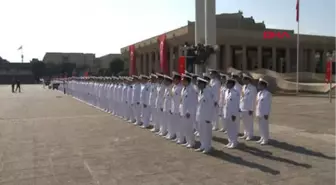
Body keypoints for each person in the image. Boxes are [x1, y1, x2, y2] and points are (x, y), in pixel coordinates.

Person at [195, 77, 215, 153]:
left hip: (206, 116)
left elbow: (211, 106)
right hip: (200, 115)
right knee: (201, 132)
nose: (197, 84)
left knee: (207, 132)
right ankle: (202, 145)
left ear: (203, 84)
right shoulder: (201, 92)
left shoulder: (208, 92)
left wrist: (209, 118)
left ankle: (208, 147)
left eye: (199, 83)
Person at [180, 73, 198, 148]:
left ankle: (191, 142)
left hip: (189, 113)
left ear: (187, 81)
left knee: (190, 128)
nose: (182, 82)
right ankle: (188, 141)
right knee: (185, 127)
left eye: (183, 80)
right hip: (184, 111)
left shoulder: (192, 89)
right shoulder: (184, 88)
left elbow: (193, 102)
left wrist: (188, 112)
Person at [222, 78, 240, 149]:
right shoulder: (226, 92)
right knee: (228, 128)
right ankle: (230, 141)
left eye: (227, 83)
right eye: (226, 83)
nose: (226, 84)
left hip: (232, 114)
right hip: (226, 112)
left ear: (231, 84)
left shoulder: (235, 93)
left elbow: (236, 105)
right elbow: (225, 103)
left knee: (233, 128)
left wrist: (234, 114)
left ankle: (234, 142)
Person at [239, 74, 257, 141]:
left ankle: (250, 135)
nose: (243, 80)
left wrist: (251, 109)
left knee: (249, 122)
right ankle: (245, 133)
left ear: (248, 80)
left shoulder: (253, 88)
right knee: (244, 122)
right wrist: (240, 106)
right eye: (243, 79)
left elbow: (254, 99)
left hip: (249, 107)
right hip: (243, 106)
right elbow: (241, 97)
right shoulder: (243, 87)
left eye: (244, 79)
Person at [256, 78, 272, 145]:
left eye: (260, 84)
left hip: (264, 113)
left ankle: (266, 139)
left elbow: (268, 104)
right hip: (259, 112)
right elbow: (257, 103)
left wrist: (266, 113)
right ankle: (262, 137)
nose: (258, 86)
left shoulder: (267, 94)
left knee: (264, 126)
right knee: (260, 126)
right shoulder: (259, 93)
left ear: (263, 85)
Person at [169, 71, 183, 140]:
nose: (173, 80)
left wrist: (180, 109)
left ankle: (180, 137)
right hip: (173, 107)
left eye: (174, 78)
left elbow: (181, 100)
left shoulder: (181, 87)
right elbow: (172, 98)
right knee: (174, 123)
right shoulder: (174, 87)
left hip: (178, 108)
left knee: (179, 124)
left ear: (177, 79)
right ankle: (176, 136)